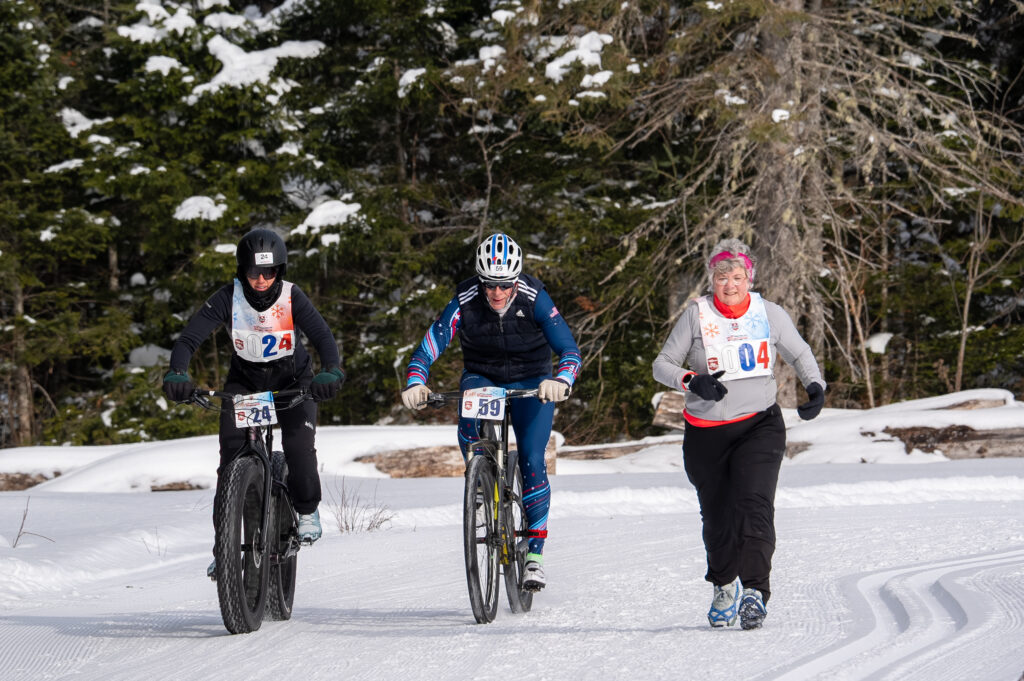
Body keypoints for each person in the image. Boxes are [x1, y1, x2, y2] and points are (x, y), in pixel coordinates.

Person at [652, 237, 825, 630]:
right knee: (717, 517)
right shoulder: (696, 315)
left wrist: (815, 385)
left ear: (750, 278)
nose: (729, 284)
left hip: (758, 425)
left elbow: (799, 352)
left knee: (754, 504)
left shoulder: (769, 313)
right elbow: (662, 364)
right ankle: (724, 584)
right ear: (711, 279)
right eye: (721, 277)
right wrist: (692, 380)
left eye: (737, 277)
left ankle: (755, 592)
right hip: (706, 434)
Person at [400, 233, 581, 591]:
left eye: (505, 285)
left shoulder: (534, 297)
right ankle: (480, 482)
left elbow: (569, 350)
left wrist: (561, 379)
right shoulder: (466, 298)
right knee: (469, 424)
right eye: (489, 285)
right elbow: (431, 344)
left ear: (516, 280)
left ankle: (535, 556)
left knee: (531, 458)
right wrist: (416, 380)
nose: (497, 293)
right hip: (483, 375)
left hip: (532, 379)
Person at [162, 228, 344, 578]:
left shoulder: (292, 296)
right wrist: (177, 373)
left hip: (293, 383)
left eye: (269, 271)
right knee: (230, 461)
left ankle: (307, 510)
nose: (261, 280)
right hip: (246, 385)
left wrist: (331, 371)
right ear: (241, 270)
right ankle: (225, 548)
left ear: (280, 270)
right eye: (253, 272)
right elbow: (189, 339)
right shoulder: (227, 297)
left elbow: (322, 336)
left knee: (298, 446)